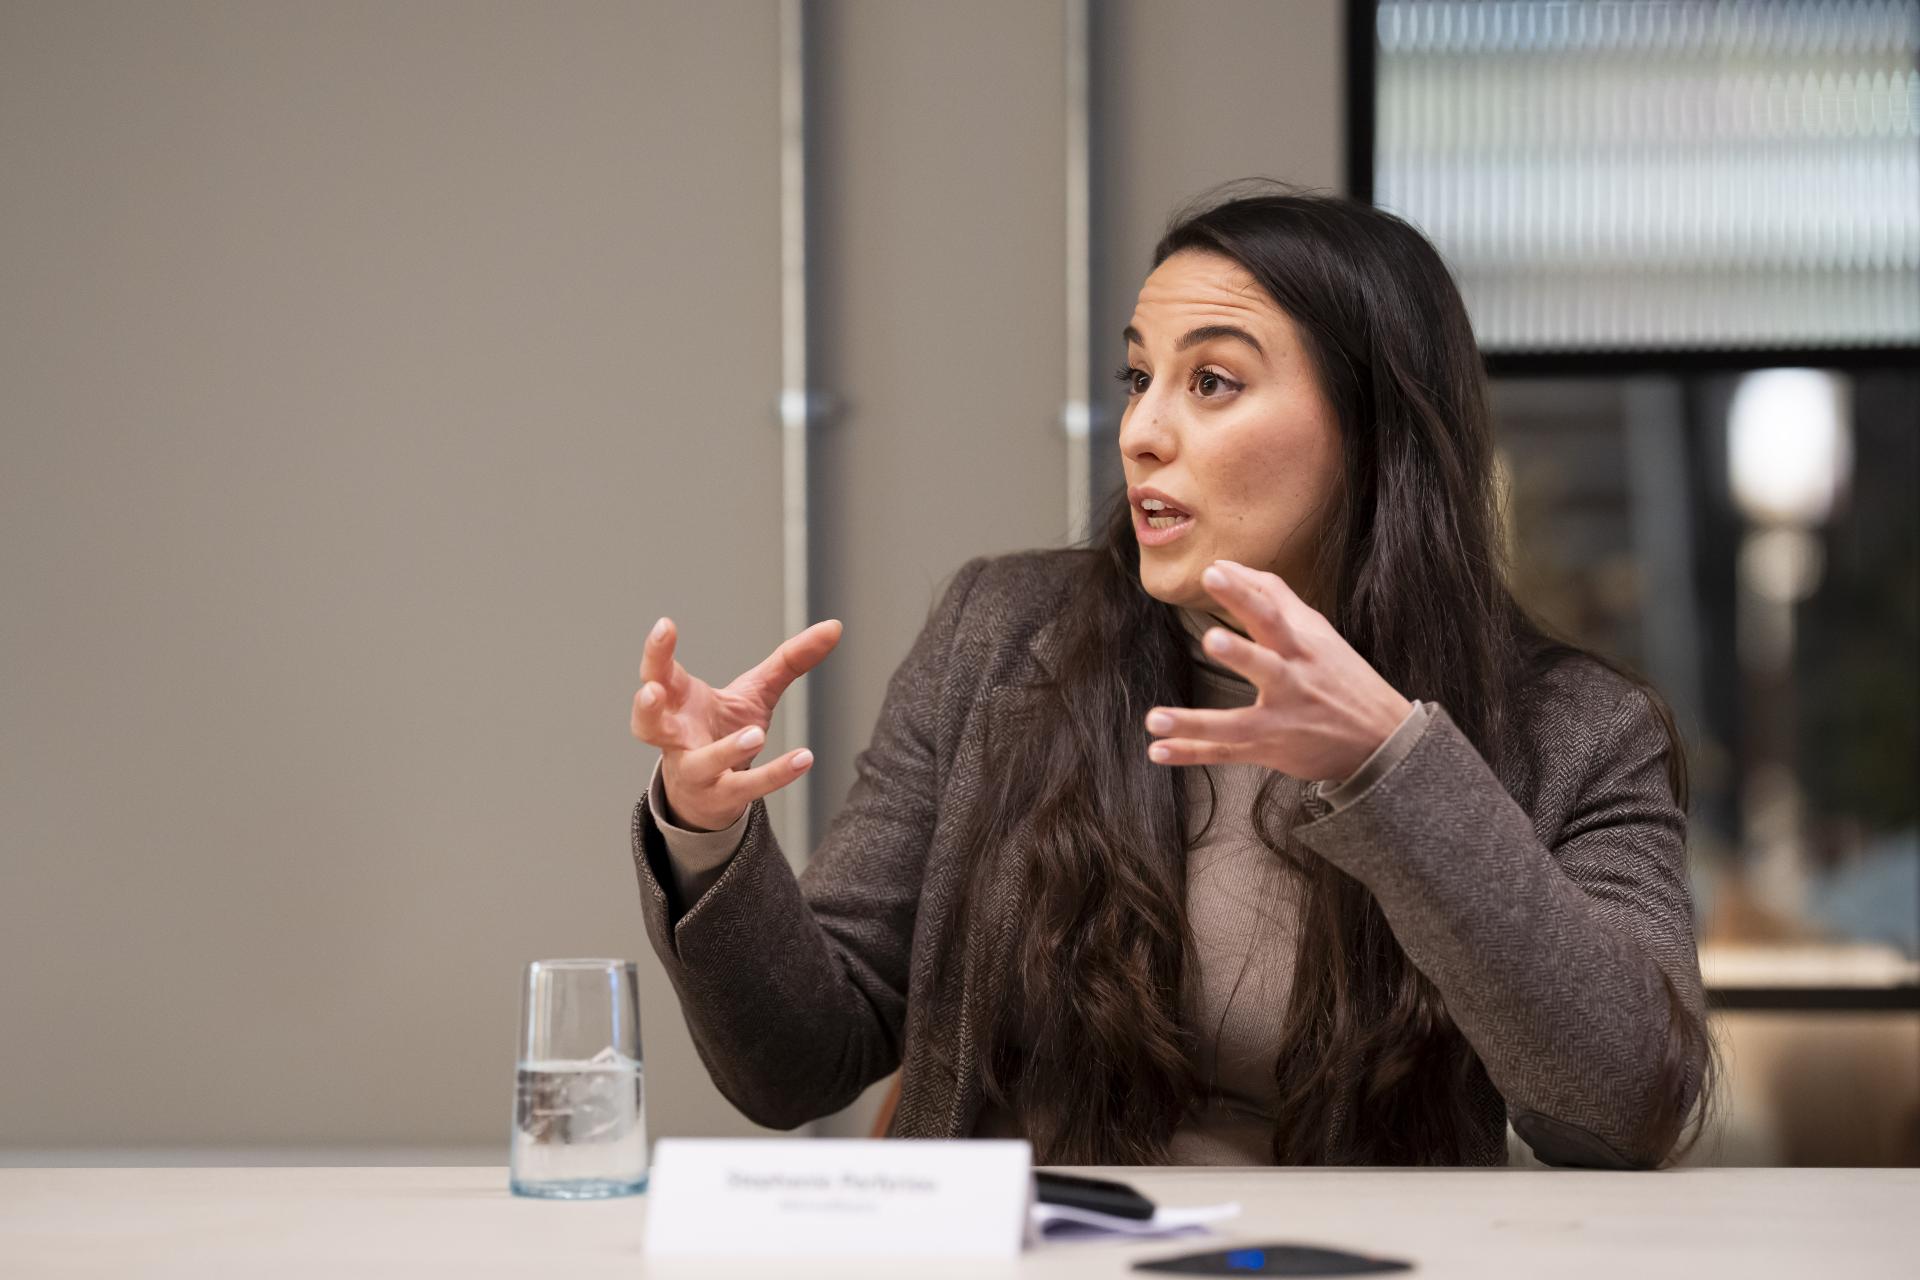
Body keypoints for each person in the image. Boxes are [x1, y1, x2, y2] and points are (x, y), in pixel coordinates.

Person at [627, 182, 1715, 1168]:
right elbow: (798, 1062)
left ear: (1374, 428)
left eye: (1213, 382)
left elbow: (1625, 1108)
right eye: (1140, 377)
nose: (1142, 432)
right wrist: (705, 829)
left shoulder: (1579, 731)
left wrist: (1392, 767)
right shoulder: (997, 635)